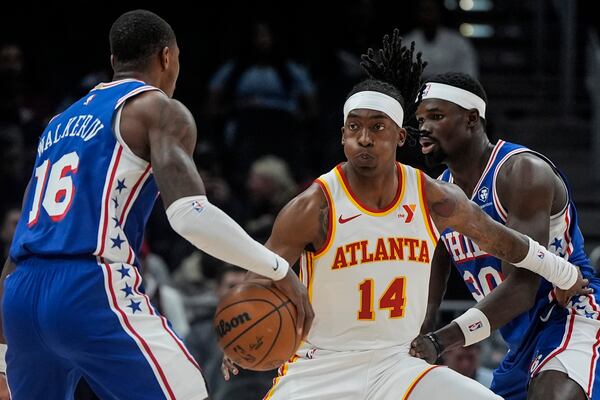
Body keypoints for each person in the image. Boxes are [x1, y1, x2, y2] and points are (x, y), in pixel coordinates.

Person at [223, 30, 586, 400]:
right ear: (341, 136)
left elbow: (508, 253)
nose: (364, 138)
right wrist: (239, 324)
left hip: (409, 361)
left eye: (377, 128)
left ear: (399, 137)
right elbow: (261, 271)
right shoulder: (313, 204)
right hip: (321, 366)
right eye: (354, 128)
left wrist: (562, 271)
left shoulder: (446, 193)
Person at [0, 10, 313, 400]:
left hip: (20, 296)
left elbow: (17, 249)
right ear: (168, 57)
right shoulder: (157, 109)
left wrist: (2, 354)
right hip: (88, 288)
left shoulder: (57, 124)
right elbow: (189, 215)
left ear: (114, 62)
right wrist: (279, 269)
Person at [410, 72, 598, 400]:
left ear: (471, 120)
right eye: (420, 119)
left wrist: (441, 339)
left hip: (571, 315)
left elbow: (522, 289)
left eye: (436, 117)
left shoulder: (521, 172)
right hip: (520, 339)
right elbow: (435, 261)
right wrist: (422, 329)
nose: (424, 127)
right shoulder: (439, 192)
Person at [404, 0, 478, 79]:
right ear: (418, 14)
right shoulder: (406, 43)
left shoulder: (459, 43)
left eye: (431, 10)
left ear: (439, 13)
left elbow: (470, 75)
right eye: (425, 11)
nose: (428, 15)